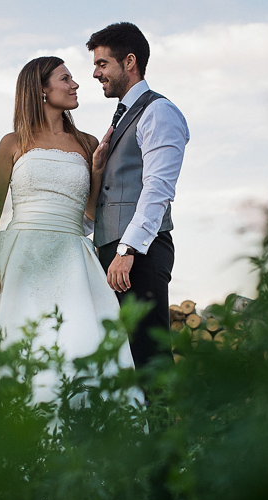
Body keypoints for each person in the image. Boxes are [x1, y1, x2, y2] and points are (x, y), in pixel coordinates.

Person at [0, 56, 134, 403]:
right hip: (21, 255)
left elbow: (89, 213)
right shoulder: (13, 142)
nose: (75, 84)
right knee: (17, 342)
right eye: (65, 78)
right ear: (41, 88)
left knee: (78, 341)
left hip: (73, 257)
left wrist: (97, 170)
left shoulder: (86, 142)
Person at [87, 22, 190, 369]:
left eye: (102, 64)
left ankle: (165, 426)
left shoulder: (159, 111)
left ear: (129, 62)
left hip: (138, 254)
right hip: (116, 253)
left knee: (149, 355)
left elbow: (158, 189)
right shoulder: (125, 116)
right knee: (124, 359)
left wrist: (127, 249)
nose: (95, 73)